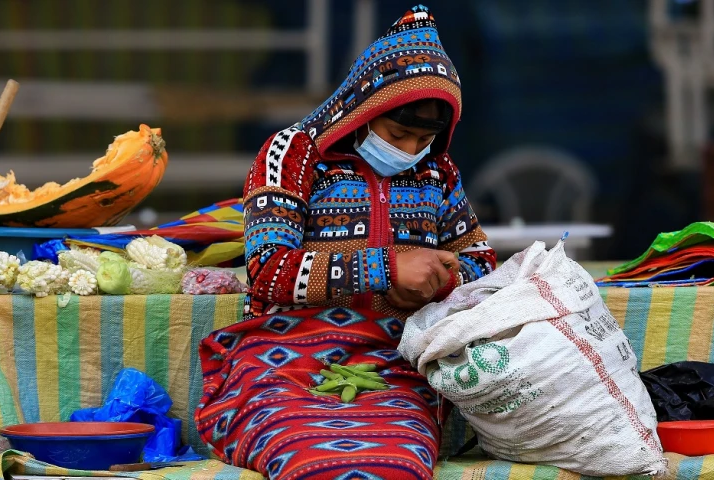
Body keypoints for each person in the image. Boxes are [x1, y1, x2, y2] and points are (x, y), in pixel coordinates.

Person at [195, 5, 496, 479]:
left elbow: (481, 263)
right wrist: (388, 267)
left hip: (393, 366)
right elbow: (269, 270)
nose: (411, 150)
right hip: (284, 361)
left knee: (395, 461)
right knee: (304, 453)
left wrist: (436, 281)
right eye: (398, 133)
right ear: (363, 109)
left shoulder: (438, 173)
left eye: (423, 139)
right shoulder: (292, 155)